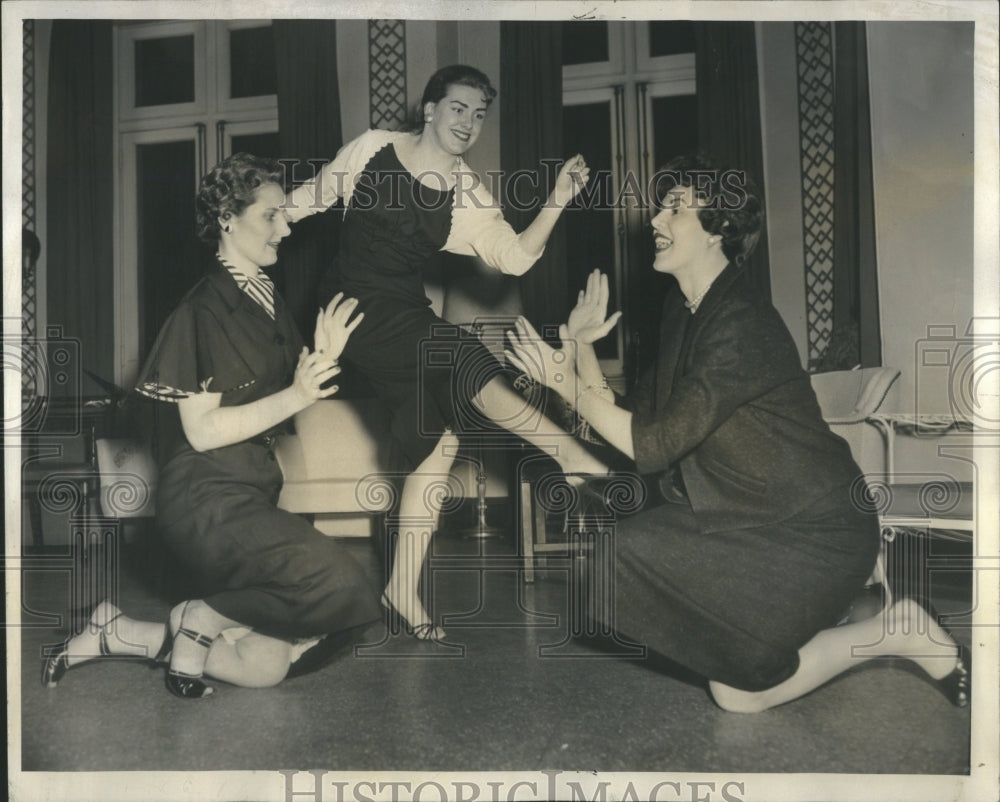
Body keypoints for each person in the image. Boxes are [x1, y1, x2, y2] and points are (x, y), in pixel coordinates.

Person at [505, 154, 970, 712]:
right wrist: (579, 352)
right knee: (715, 672)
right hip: (747, 518)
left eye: (674, 207)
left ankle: (898, 633)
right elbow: (636, 421)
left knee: (735, 694)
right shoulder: (685, 309)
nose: (655, 219)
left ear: (718, 230)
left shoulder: (741, 320)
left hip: (816, 532)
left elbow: (651, 446)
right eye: (660, 206)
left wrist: (568, 383)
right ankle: (885, 631)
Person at [284, 64, 606, 640]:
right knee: (453, 348)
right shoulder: (374, 148)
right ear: (430, 110)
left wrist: (556, 199)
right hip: (350, 307)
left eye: (480, 115)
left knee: (439, 441)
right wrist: (261, 225)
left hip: (406, 311)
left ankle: (400, 588)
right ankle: (567, 452)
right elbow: (313, 196)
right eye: (459, 108)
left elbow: (514, 257)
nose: (469, 123)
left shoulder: (467, 196)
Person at [42, 153, 380, 698]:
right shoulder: (202, 310)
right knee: (342, 588)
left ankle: (117, 633)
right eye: (272, 215)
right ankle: (201, 615)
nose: (286, 227)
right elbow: (202, 431)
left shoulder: (266, 302)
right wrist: (297, 390)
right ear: (227, 217)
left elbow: (278, 401)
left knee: (265, 664)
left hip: (250, 491)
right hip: (206, 497)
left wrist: (321, 359)